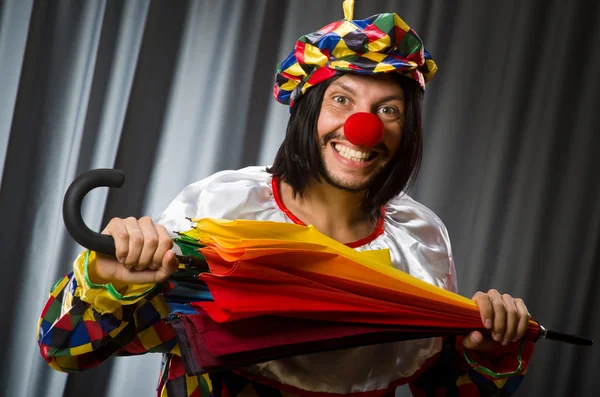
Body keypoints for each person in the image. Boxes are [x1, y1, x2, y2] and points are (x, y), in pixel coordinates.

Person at [38, 2, 535, 396]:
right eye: (342, 100)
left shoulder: (420, 239)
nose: (362, 128)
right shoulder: (222, 209)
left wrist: (487, 350)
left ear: (408, 132)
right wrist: (106, 280)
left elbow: (445, 389)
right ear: (307, 111)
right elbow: (66, 352)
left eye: (389, 110)